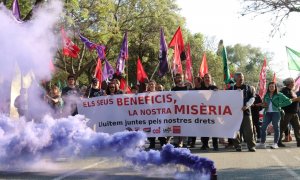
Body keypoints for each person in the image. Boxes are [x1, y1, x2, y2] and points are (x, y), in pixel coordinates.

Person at [259, 82, 294, 149]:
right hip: (267, 113)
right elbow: (264, 103)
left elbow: (289, 101)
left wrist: (280, 105)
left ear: (275, 87)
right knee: (263, 127)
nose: (271, 88)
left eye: (272, 86)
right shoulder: (266, 95)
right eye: (270, 86)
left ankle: (275, 143)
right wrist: (263, 105)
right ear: (268, 88)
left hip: (276, 113)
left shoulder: (279, 94)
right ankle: (262, 143)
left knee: (276, 128)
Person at [229, 72, 256, 152]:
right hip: (234, 114)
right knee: (235, 130)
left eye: (242, 78)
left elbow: (252, 98)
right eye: (240, 78)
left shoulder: (248, 88)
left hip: (246, 113)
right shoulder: (231, 89)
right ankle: (237, 145)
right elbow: (225, 98)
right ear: (235, 79)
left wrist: (247, 105)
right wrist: (216, 92)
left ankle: (251, 146)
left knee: (249, 131)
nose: (242, 79)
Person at [199, 73, 219, 151]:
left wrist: (217, 92)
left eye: (208, 77)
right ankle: (205, 144)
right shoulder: (201, 88)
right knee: (204, 129)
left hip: (213, 112)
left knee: (214, 129)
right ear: (203, 79)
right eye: (205, 77)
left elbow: (219, 98)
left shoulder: (214, 88)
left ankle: (215, 145)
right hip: (203, 112)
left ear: (211, 79)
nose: (207, 79)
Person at [278, 78, 300, 147]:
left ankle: (299, 142)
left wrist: (297, 100)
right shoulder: (284, 91)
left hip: (294, 113)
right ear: (289, 83)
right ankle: (278, 142)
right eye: (293, 82)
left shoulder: (292, 91)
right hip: (286, 112)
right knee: (282, 128)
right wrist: (297, 99)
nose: (294, 83)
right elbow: (286, 101)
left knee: (297, 128)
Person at [146, 80, 167, 149]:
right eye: (150, 84)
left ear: (155, 85)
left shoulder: (159, 93)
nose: (151, 86)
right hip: (149, 115)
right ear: (148, 86)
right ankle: (152, 143)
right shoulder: (145, 94)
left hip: (158, 114)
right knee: (151, 129)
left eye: (152, 84)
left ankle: (163, 143)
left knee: (160, 128)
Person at [171, 73, 188, 148]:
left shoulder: (187, 87)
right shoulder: (173, 88)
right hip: (176, 109)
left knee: (184, 125)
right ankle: (176, 141)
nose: (179, 79)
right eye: (177, 77)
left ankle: (184, 142)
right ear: (175, 79)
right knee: (176, 125)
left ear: (183, 78)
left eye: (180, 77)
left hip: (185, 109)